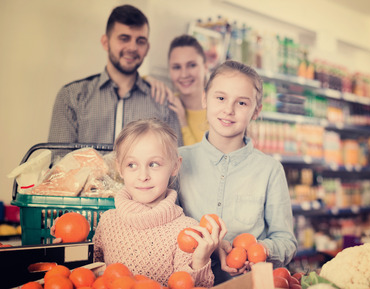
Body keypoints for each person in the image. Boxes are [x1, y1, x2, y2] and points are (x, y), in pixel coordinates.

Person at [177, 60, 298, 285]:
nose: (228, 110)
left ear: (256, 111)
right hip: (188, 282)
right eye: (220, 98)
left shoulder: (270, 171)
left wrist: (259, 250)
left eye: (242, 103)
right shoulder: (179, 161)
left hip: (249, 283)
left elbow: (286, 240)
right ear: (205, 98)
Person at [93, 118, 227, 286]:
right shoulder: (107, 222)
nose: (143, 176)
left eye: (154, 164)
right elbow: (91, 274)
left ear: (175, 166)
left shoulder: (186, 231)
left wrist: (200, 260)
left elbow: (192, 285)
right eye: (132, 165)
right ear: (119, 168)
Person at [48, 5, 182, 146]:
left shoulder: (163, 100)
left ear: (147, 48)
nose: (132, 48)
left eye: (140, 41)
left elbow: (174, 162)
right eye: (124, 38)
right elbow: (59, 162)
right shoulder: (71, 96)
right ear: (106, 43)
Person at [146, 34, 208, 145]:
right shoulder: (167, 103)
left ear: (205, 67)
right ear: (169, 70)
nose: (184, 74)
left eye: (192, 65)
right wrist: (148, 79)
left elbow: (202, 161)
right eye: (177, 67)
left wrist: (183, 123)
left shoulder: (218, 111)